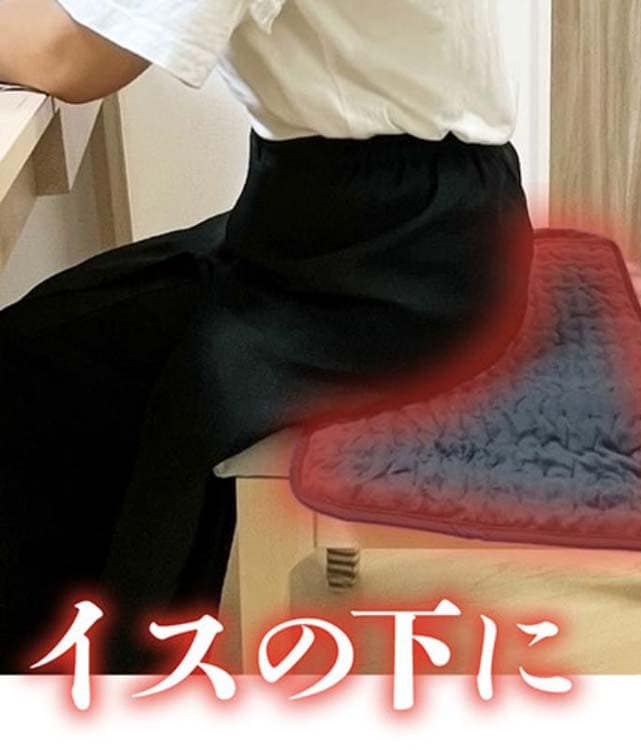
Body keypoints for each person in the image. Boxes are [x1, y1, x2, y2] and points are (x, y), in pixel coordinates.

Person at [0, 0, 535, 673]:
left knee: (47, 365)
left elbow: (70, 59)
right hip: (396, 226)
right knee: (63, 334)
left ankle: (89, 661)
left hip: (395, 263)